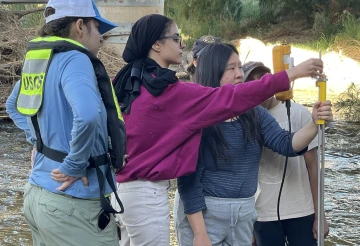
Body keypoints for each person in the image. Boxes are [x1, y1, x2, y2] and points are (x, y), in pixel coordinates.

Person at [111, 14, 326, 246]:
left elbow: (105, 125)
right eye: (176, 37)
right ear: (156, 44)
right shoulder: (174, 95)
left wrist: (83, 162)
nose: (182, 44)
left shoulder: (134, 83)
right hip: (148, 196)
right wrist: (291, 74)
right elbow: (233, 98)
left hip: (125, 191)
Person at [174, 44, 333, 246]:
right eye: (231, 69)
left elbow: (286, 143)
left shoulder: (255, 113)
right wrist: (199, 233)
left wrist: (313, 123)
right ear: (213, 73)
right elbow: (189, 181)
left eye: (240, 67)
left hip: (243, 214)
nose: (240, 74)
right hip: (204, 216)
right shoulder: (198, 116)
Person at [5, 0, 126, 245]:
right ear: (80, 26)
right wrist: (74, 164)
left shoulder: (41, 61)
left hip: (39, 198)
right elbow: (88, 114)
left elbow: (13, 107)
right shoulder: (75, 59)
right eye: (98, 28)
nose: (102, 37)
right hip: (72, 207)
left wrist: (39, 142)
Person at [242, 61, 330, 246]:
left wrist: (319, 214)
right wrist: (247, 224)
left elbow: (313, 167)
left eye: (264, 78)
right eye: (252, 81)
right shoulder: (245, 118)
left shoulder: (299, 113)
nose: (260, 84)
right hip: (263, 214)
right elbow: (244, 172)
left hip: (302, 211)